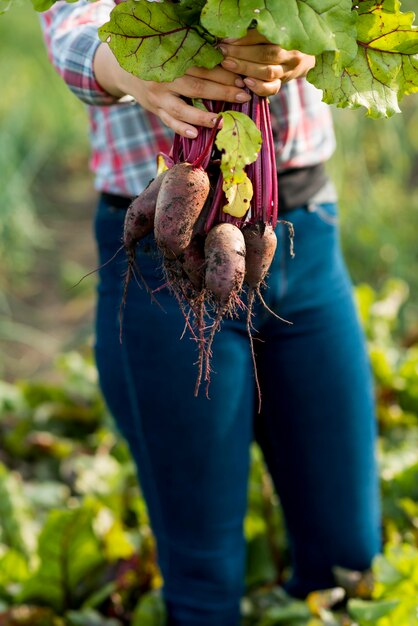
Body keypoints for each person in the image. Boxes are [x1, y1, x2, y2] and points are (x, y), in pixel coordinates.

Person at [40, 3, 382, 625]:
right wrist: (134, 69)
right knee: (203, 579)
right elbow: (70, 29)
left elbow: (347, 14)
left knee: (348, 553)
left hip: (303, 234)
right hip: (160, 262)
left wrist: (306, 40)